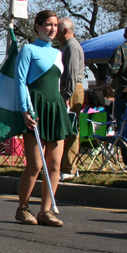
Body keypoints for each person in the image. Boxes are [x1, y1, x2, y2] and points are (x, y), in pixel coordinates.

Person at [15, 10, 73, 227]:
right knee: (35, 164)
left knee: (55, 164)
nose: (52, 29)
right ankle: (22, 208)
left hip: (55, 108)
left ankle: (46, 211)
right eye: (48, 24)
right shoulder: (28, 50)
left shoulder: (59, 53)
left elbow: (58, 83)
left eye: (56, 25)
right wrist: (25, 111)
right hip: (35, 108)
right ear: (37, 26)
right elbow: (20, 82)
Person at [56, 17, 85, 181]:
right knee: (67, 128)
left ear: (65, 30)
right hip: (70, 88)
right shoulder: (68, 46)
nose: (55, 31)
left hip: (72, 89)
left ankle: (69, 167)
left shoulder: (72, 46)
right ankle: (65, 165)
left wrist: (67, 95)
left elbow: (72, 73)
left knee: (71, 128)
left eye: (57, 28)